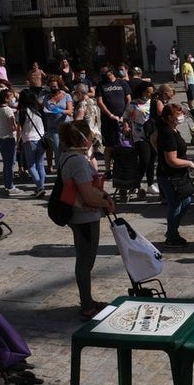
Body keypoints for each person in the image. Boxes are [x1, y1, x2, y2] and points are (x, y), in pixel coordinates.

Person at [58, 122, 115, 318]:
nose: (93, 138)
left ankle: (88, 300)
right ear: (83, 138)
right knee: (85, 262)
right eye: (90, 135)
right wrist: (106, 202)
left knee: (84, 261)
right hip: (84, 217)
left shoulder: (68, 156)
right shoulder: (79, 162)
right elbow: (88, 195)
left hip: (80, 215)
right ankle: (87, 305)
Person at [154, 104, 194, 247]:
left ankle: (172, 231)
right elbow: (171, 160)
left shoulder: (171, 130)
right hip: (170, 176)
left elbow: (153, 140)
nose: (181, 117)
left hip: (177, 174)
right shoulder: (167, 133)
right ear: (169, 118)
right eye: (178, 115)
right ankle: (171, 236)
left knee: (186, 202)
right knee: (176, 205)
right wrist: (189, 163)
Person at [122, 81, 156, 199]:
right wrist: (126, 126)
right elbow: (125, 117)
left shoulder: (153, 103)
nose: (150, 95)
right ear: (142, 92)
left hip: (152, 135)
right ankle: (135, 184)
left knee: (152, 160)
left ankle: (150, 184)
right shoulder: (134, 104)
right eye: (148, 92)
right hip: (139, 135)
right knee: (144, 160)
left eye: (152, 93)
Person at [18, 88, 48, 196]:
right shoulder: (39, 109)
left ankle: (40, 187)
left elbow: (20, 128)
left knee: (31, 166)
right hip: (41, 139)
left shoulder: (22, 111)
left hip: (29, 140)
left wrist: (18, 142)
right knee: (40, 165)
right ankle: (41, 187)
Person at [42, 77, 73, 169]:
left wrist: (60, 111)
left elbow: (70, 111)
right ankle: (59, 171)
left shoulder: (67, 96)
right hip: (53, 128)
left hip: (65, 127)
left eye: (55, 86)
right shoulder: (47, 98)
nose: (53, 88)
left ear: (59, 86)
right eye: (51, 87)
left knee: (67, 150)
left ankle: (67, 170)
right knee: (57, 150)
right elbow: (43, 109)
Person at [0, 89, 20, 194]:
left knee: (6, 163)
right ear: (6, 98)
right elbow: (12, 127)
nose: (13, 98)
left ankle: (7, 183)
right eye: (11, 97)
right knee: (9, 164)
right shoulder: (8, 110)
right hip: (8, 139)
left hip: (0, 138)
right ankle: (10, 185)